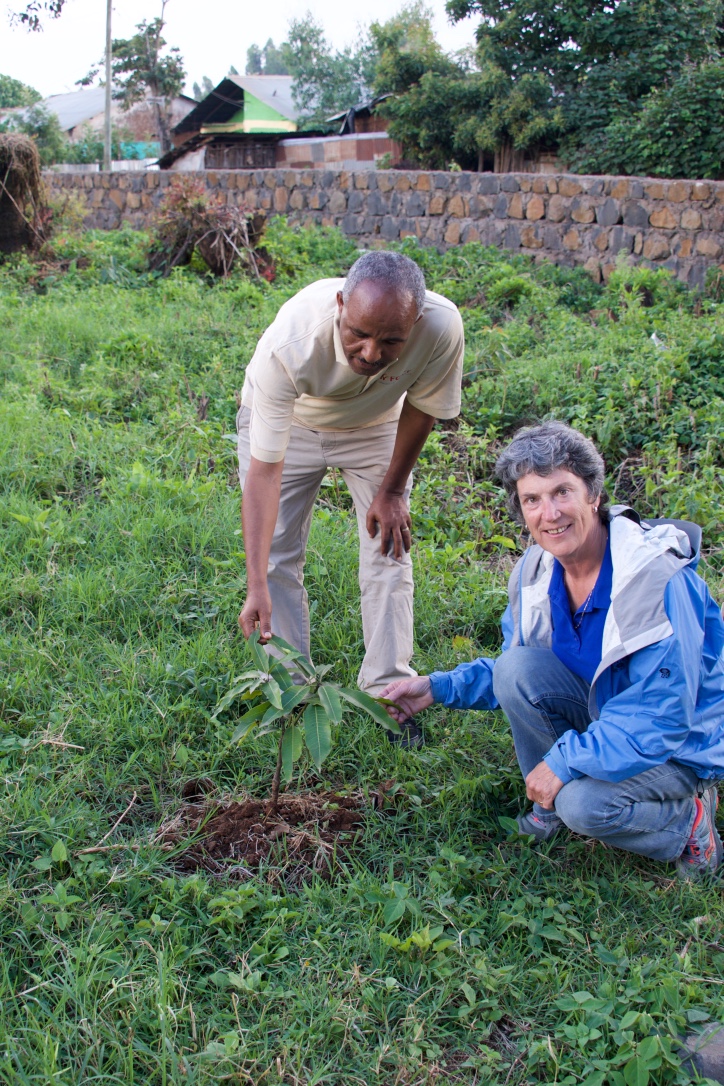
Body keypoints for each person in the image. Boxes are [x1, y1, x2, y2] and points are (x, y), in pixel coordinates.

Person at [380, 421, 724, 877]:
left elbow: (663, 716)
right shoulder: (537, 572)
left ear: (593, 495)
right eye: (532, 500)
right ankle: (552, 802)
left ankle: (688, 821)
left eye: (563, 492)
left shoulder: (654, 581)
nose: (551, 513)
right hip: (610, 720)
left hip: (679, 744)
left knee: (584, 805)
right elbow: (517, 667)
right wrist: (438, 688)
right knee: (515, 668)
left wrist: (563, 761)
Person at [236, 250, 464, 745]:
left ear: (416, 322)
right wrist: (256, 583)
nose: (370, 353)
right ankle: (290, 688)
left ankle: (388, 691)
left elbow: (423, 408)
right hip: (293, 422)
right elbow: (265, 472)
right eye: (357, 333)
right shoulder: (291, 344)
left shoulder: (441, 328)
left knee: (390, 545)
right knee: (275, 554)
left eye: (390, 340)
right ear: (340, 304)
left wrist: (393, 490)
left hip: (376, 425)